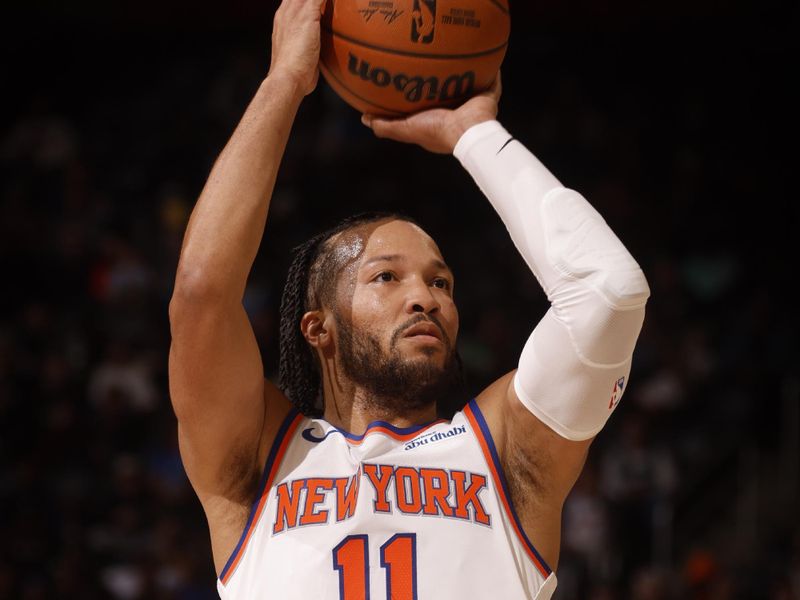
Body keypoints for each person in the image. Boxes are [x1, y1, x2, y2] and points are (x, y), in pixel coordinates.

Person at [167, 0, 650, 597]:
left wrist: (474, 134)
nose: (425, 297)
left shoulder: (504, 451)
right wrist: (284, 83)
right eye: (386, 277)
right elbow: (200, 293)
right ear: (318, 328)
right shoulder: (258, 461)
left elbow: (609, 293)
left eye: (441, 282)